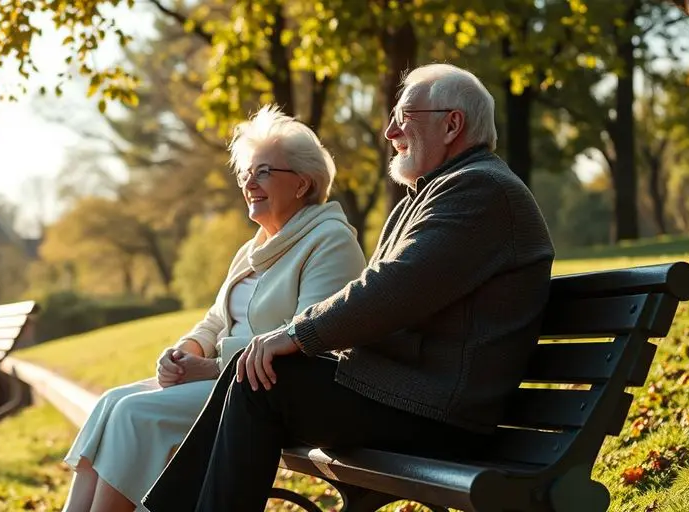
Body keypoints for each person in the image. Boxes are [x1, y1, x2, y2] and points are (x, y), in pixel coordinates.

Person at [142, 63, 557, 511]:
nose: (389, 130)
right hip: (407, 394)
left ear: (451, 123)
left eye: (405, 116)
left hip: (440, 413)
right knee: (253, 370)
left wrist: (295, 334)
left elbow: (390, 290)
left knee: (260, 380)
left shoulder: (481, 191)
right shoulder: (438, 193)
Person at [60, 105, 367, 512]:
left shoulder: (330, 241)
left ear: (302, 184)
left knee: (136, 414)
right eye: (245, 174)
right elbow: (216, 321)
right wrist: (186, 351)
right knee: (111, 402)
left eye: (263, 172)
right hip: (221, 380)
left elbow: (309, 338)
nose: (249, 184)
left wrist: (212, 365)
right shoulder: (254, 246)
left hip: (266, 392)